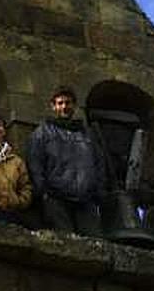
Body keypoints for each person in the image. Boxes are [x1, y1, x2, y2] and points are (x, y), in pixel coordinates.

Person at [27, 86, 105, 236]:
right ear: (53, 106)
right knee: (65, 241)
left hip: (85, 199)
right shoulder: (42, 133)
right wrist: (42, 192)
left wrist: (99, 191)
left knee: (95, 242)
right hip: (56, 199)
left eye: (68, 103)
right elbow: (34, 163)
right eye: (60, 103)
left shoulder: (87, 134)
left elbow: (99, 163)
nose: (64, 107)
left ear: (74, 105)